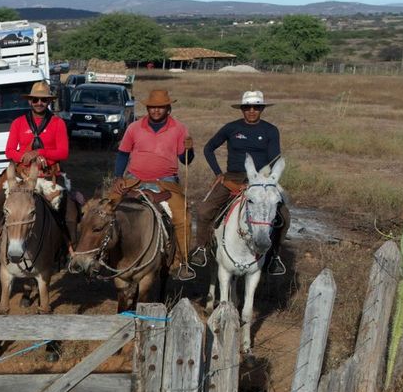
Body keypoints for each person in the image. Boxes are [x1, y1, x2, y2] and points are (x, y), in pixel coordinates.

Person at [192, 90, 289, 275]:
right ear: (242, 109)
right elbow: (208, 148)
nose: (252, 111)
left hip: (260, 181)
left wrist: (266, 181)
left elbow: (275, 158)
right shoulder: (231, 128)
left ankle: (274, 256)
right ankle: (201, 249)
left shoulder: (270, 130)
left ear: (262, 109)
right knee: (204, 210)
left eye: (256, 107)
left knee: (284, 216)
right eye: (247, 107)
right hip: (232, 178)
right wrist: (218, 173)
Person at [0, 81, 73, 266]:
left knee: (70, 212)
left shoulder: (57, 123)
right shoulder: (18, 123)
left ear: (48, 102)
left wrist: (40, 153)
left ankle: (67, 250)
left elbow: (63, 152)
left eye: (43, 100)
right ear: (30, 101)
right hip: (22, 178)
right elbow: (9, 151)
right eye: (35, 99)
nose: (39, 102)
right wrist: (25, 157)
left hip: (47, 178)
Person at [111, 88, 196, 280]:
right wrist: (118, 177)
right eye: (152, 107)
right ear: (147, 108)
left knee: (183, 217)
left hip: (166, 182)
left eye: (161, 107)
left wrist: (189, 150)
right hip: (134, 179)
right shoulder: (134, 127)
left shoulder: (179, 128)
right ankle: (99, 256)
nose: (156, 111)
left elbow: (186, 160)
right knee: (106, 207)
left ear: (168, 108)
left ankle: (183, 262)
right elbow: (123, 154)